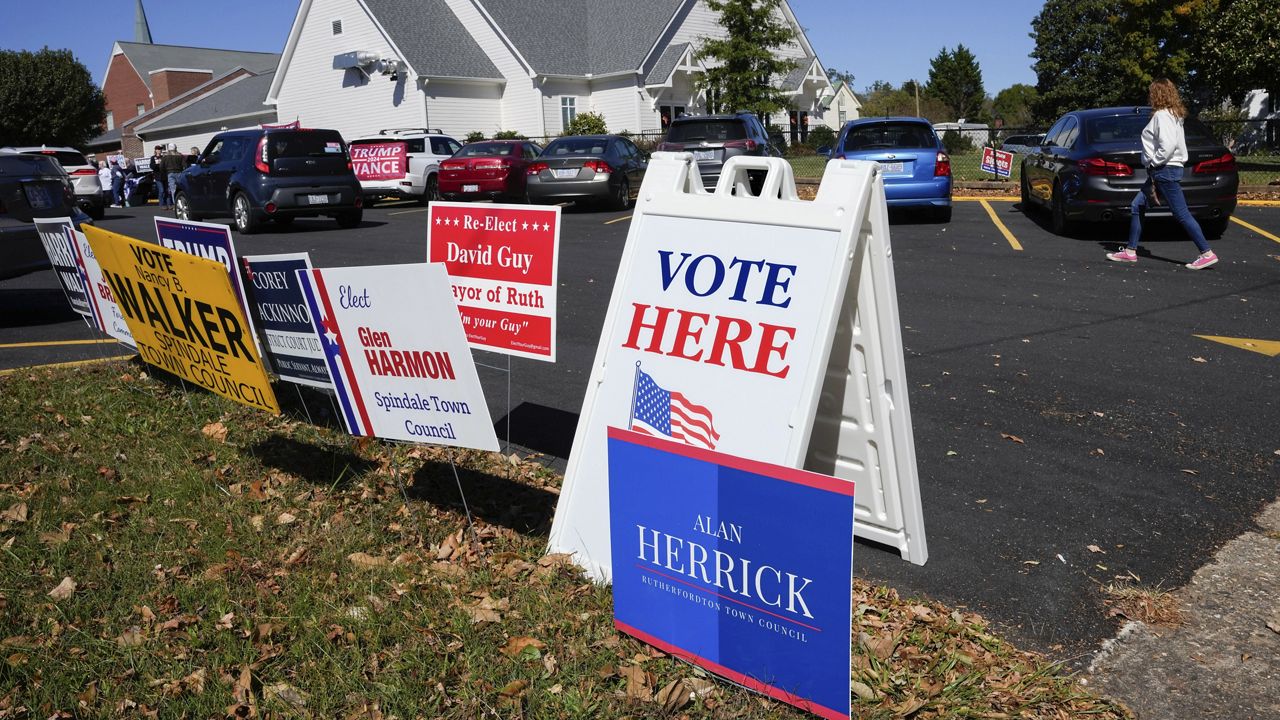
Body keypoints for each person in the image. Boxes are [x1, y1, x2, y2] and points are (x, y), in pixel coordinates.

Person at [1106, 78, 1219, 270]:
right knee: (1137, 205)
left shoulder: (1161, 116)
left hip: (1163, 170)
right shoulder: (1174, 115)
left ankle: (1206, 253)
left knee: (1181, 213)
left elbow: (1167, 146)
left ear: (1157, 94)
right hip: (1166, 169)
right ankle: (1130, 251)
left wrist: (1153, 162)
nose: (1149, 96)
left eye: (1152, 93)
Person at [162, 144, 186, 208]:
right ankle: (182, 202)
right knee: (181, 188)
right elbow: (184, 165)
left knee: (173, 190)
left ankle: (176, 204)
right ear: (175, 148)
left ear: (169, 149)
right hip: (179, 173)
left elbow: (161, 166)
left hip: (170, 173)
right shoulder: (180, 156)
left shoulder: (165, 157)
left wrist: (164, 172)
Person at [151, 145, 169, 209]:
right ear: (155, 150)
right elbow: (151, 167)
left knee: (166, 190)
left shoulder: (163, 157)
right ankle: (162, 204)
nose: (159, 150)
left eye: (160, 149)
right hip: (158, 176)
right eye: (158, 149)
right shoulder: (153, 158)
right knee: (161, 190)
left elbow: (167, 166)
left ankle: (168, 204)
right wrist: (157, 164)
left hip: (164, 175)